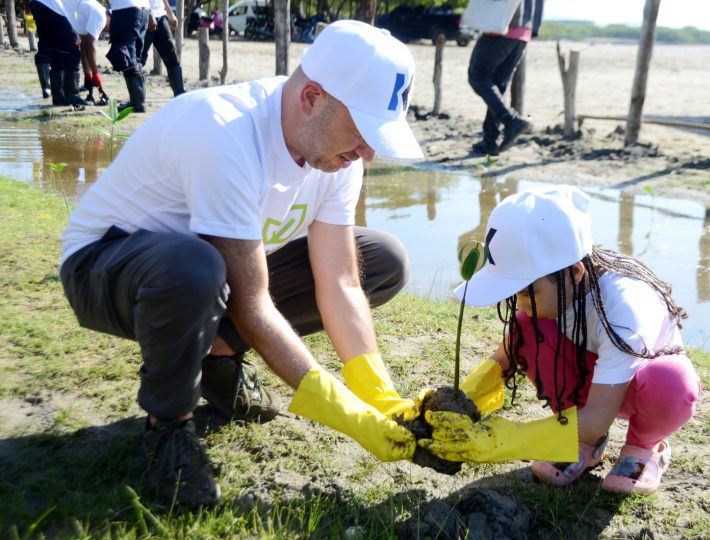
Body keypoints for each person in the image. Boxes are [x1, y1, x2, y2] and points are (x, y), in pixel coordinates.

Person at [59, 20, 433, 507]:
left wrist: (379, 396)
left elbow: (339, 281)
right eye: (363, 130)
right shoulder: (224, 132)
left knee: (381, 259)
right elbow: (253, 303)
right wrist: (347, 416)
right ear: (312, 97)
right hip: (103, 269)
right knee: (195, 267)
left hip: (204, 276)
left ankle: (216, 358)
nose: (369, 151)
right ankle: (168, 428)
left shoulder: (339, 158)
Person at [420, 185, 701, 494]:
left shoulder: (624, 310)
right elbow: (504, 360)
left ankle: (644, 446)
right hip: (592, 374)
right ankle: (583, 443)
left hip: (640, 385)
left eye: (528, 291)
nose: (521, 301)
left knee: (670, 382)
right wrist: (458, 403)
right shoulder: (556, 295)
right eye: (514, 291)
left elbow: (597, 416)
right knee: (525, 327)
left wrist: (499, 440)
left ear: (576, 272)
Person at [468, 0, 544, 156]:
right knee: (497, 85)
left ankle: (511, 121)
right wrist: (532, 29)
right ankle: (490, 141)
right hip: (524, 31)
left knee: (478, 77)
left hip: (502, 25)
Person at [26, 0, 91, 107]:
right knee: (72, 47)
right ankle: (72, 94)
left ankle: (58, 97)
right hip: (51, 6)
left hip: (37, 4)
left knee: (54, 47)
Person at [107, 0, 150, 112]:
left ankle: (138, 103)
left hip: (125, 10)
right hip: (143, 11)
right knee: (135, 57)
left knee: (126, 55)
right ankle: (136, 101)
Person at [140, 0, 186, 96]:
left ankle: (180, 94)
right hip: (144, 17)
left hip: (161, 16)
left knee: (172, 57)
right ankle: (137, 101)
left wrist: (170, 13)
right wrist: (149, 14)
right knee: (138, 60)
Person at [75, 0, 110, 106]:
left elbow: (84, 46)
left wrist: (88, 76)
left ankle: (87, 91)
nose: (107, 31)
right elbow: (90, 46)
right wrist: (95, 74)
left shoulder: (89, 11)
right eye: (110, 28)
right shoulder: (100, 15)